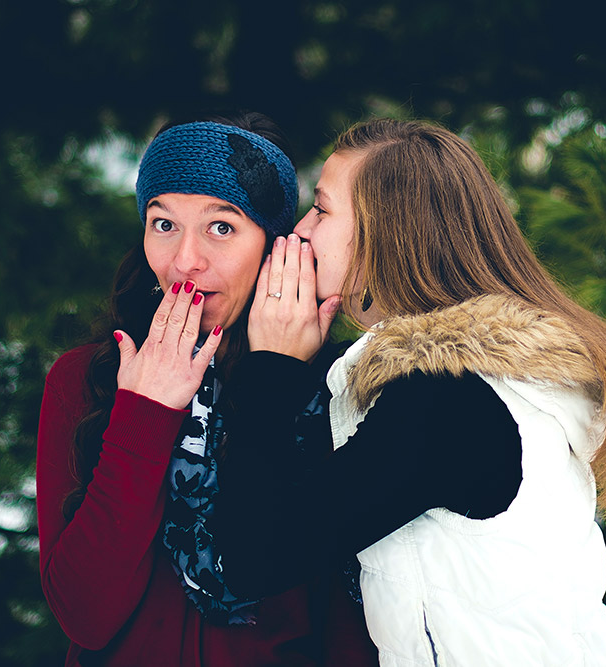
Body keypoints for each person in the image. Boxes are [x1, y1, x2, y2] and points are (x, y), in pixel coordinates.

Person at [211, 118, 606, 666]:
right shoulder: (486, 386)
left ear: (388, 234)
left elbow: (253, 558)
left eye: (323, 209)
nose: (301, 231)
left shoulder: (447, 404)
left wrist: (272, 368)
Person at [35, 112, 377, 666]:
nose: (185, 261)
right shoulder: (86, 379)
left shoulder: (333, 385)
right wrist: (142, 416)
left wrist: (279, 378)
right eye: (163, 223)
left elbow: (348, 623)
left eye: (222, 226)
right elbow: (85, 616)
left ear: (273, 245)